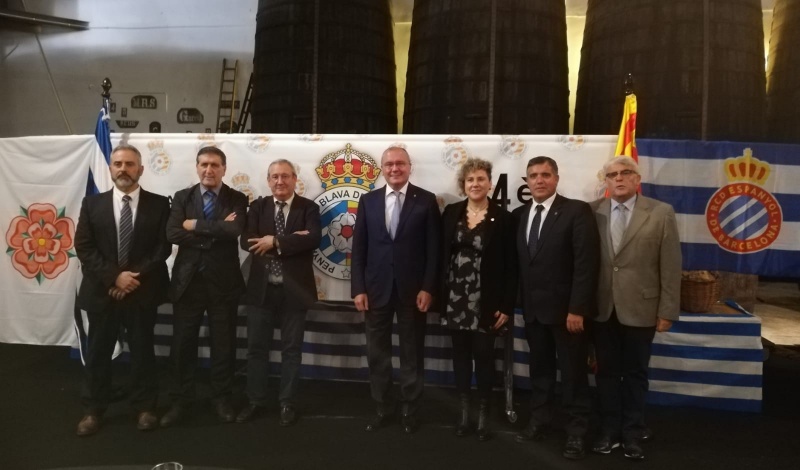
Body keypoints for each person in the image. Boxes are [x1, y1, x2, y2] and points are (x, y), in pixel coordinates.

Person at [74, 144, 171, 436]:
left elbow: (163, 247)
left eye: (130, 164)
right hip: (102, 291)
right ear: (110, 169)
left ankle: (145, 407)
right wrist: (115, 278)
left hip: (142, 290)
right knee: (98, 352)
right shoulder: (92, 204)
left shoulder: (160, 205)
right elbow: (84, 247)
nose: (123, 169)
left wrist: (131, 279)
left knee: (143, 351)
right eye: (118, 164)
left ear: (140, 169)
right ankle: (93, 410)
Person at [589, 157, 681, 461]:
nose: (618, 178)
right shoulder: (591, 211)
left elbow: (671, 266)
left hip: (642, 309)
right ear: (605, 181)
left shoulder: (660, 212)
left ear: (637, 178)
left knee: (635, 374)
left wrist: (667, 310)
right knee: (606, 373)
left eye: (625, 173)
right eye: (612, 174)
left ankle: (632, 432)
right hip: (602, 309)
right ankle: (608, 430)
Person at [512, 156, 600, 460]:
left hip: (567, 315)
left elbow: (586, 264)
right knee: (541, 371)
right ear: (527, 181)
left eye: (545, 174)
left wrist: (577, 309)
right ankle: (540, 420)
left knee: (574, 375)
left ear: (556, 179)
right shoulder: (520, 215)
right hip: (534, 312)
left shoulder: (576, 211)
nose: (539, 180)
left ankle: (576, 431)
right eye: (533, 175)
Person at [351, 146, 441, 434]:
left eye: (400, 163)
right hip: (375, 290)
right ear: (382, 169)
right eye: (389, 164)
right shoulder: (368, 201)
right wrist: (358, 288)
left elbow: (434, 250)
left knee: (412, 353)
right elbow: (359, 247)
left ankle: (410, 410)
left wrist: (428, 287)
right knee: (377, 353)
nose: (394, 168)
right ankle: (382, 407)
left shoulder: (426, 200)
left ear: (410, 167)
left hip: (413, 292)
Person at [160, 146, 248, 427]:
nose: (209, 170)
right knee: (182, 344)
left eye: (215, 165)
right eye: (204, 164)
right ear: (197, 167)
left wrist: (194, 224)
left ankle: (221, 398)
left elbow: (234, 230)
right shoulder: (182, 197)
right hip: (189, 283)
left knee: (223, 344)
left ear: (224, 168)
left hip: (224, 284)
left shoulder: (237, 198)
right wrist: (214, 230)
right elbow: (173, 232)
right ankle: (180, 399)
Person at [236, 159, 321, 427]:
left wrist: (274, 241)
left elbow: (313, 238)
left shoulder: (309, 208)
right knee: (256, 349)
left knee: (291, 351)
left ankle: (287, 403)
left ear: (295, 179)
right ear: (268, 180)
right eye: (275, 177)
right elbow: (246, 241)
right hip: (260, 291)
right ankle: (255, 401)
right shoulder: (257, 207)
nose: (280, 181)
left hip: (294, 292)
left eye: (285, 176)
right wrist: (294, 240)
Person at [438, 158, 517, 441]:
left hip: (487, 301)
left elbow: (512, 266)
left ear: (490, 184)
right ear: (463, 184)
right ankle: (464, 414)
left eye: (481, 179)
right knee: (460, 357)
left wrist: (506, 306)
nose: (475, 184)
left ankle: (484, 416)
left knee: (484, 358)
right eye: (470, 179)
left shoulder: (504, 218)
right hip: (455, 297)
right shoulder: (451, 212)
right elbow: (441, 255)